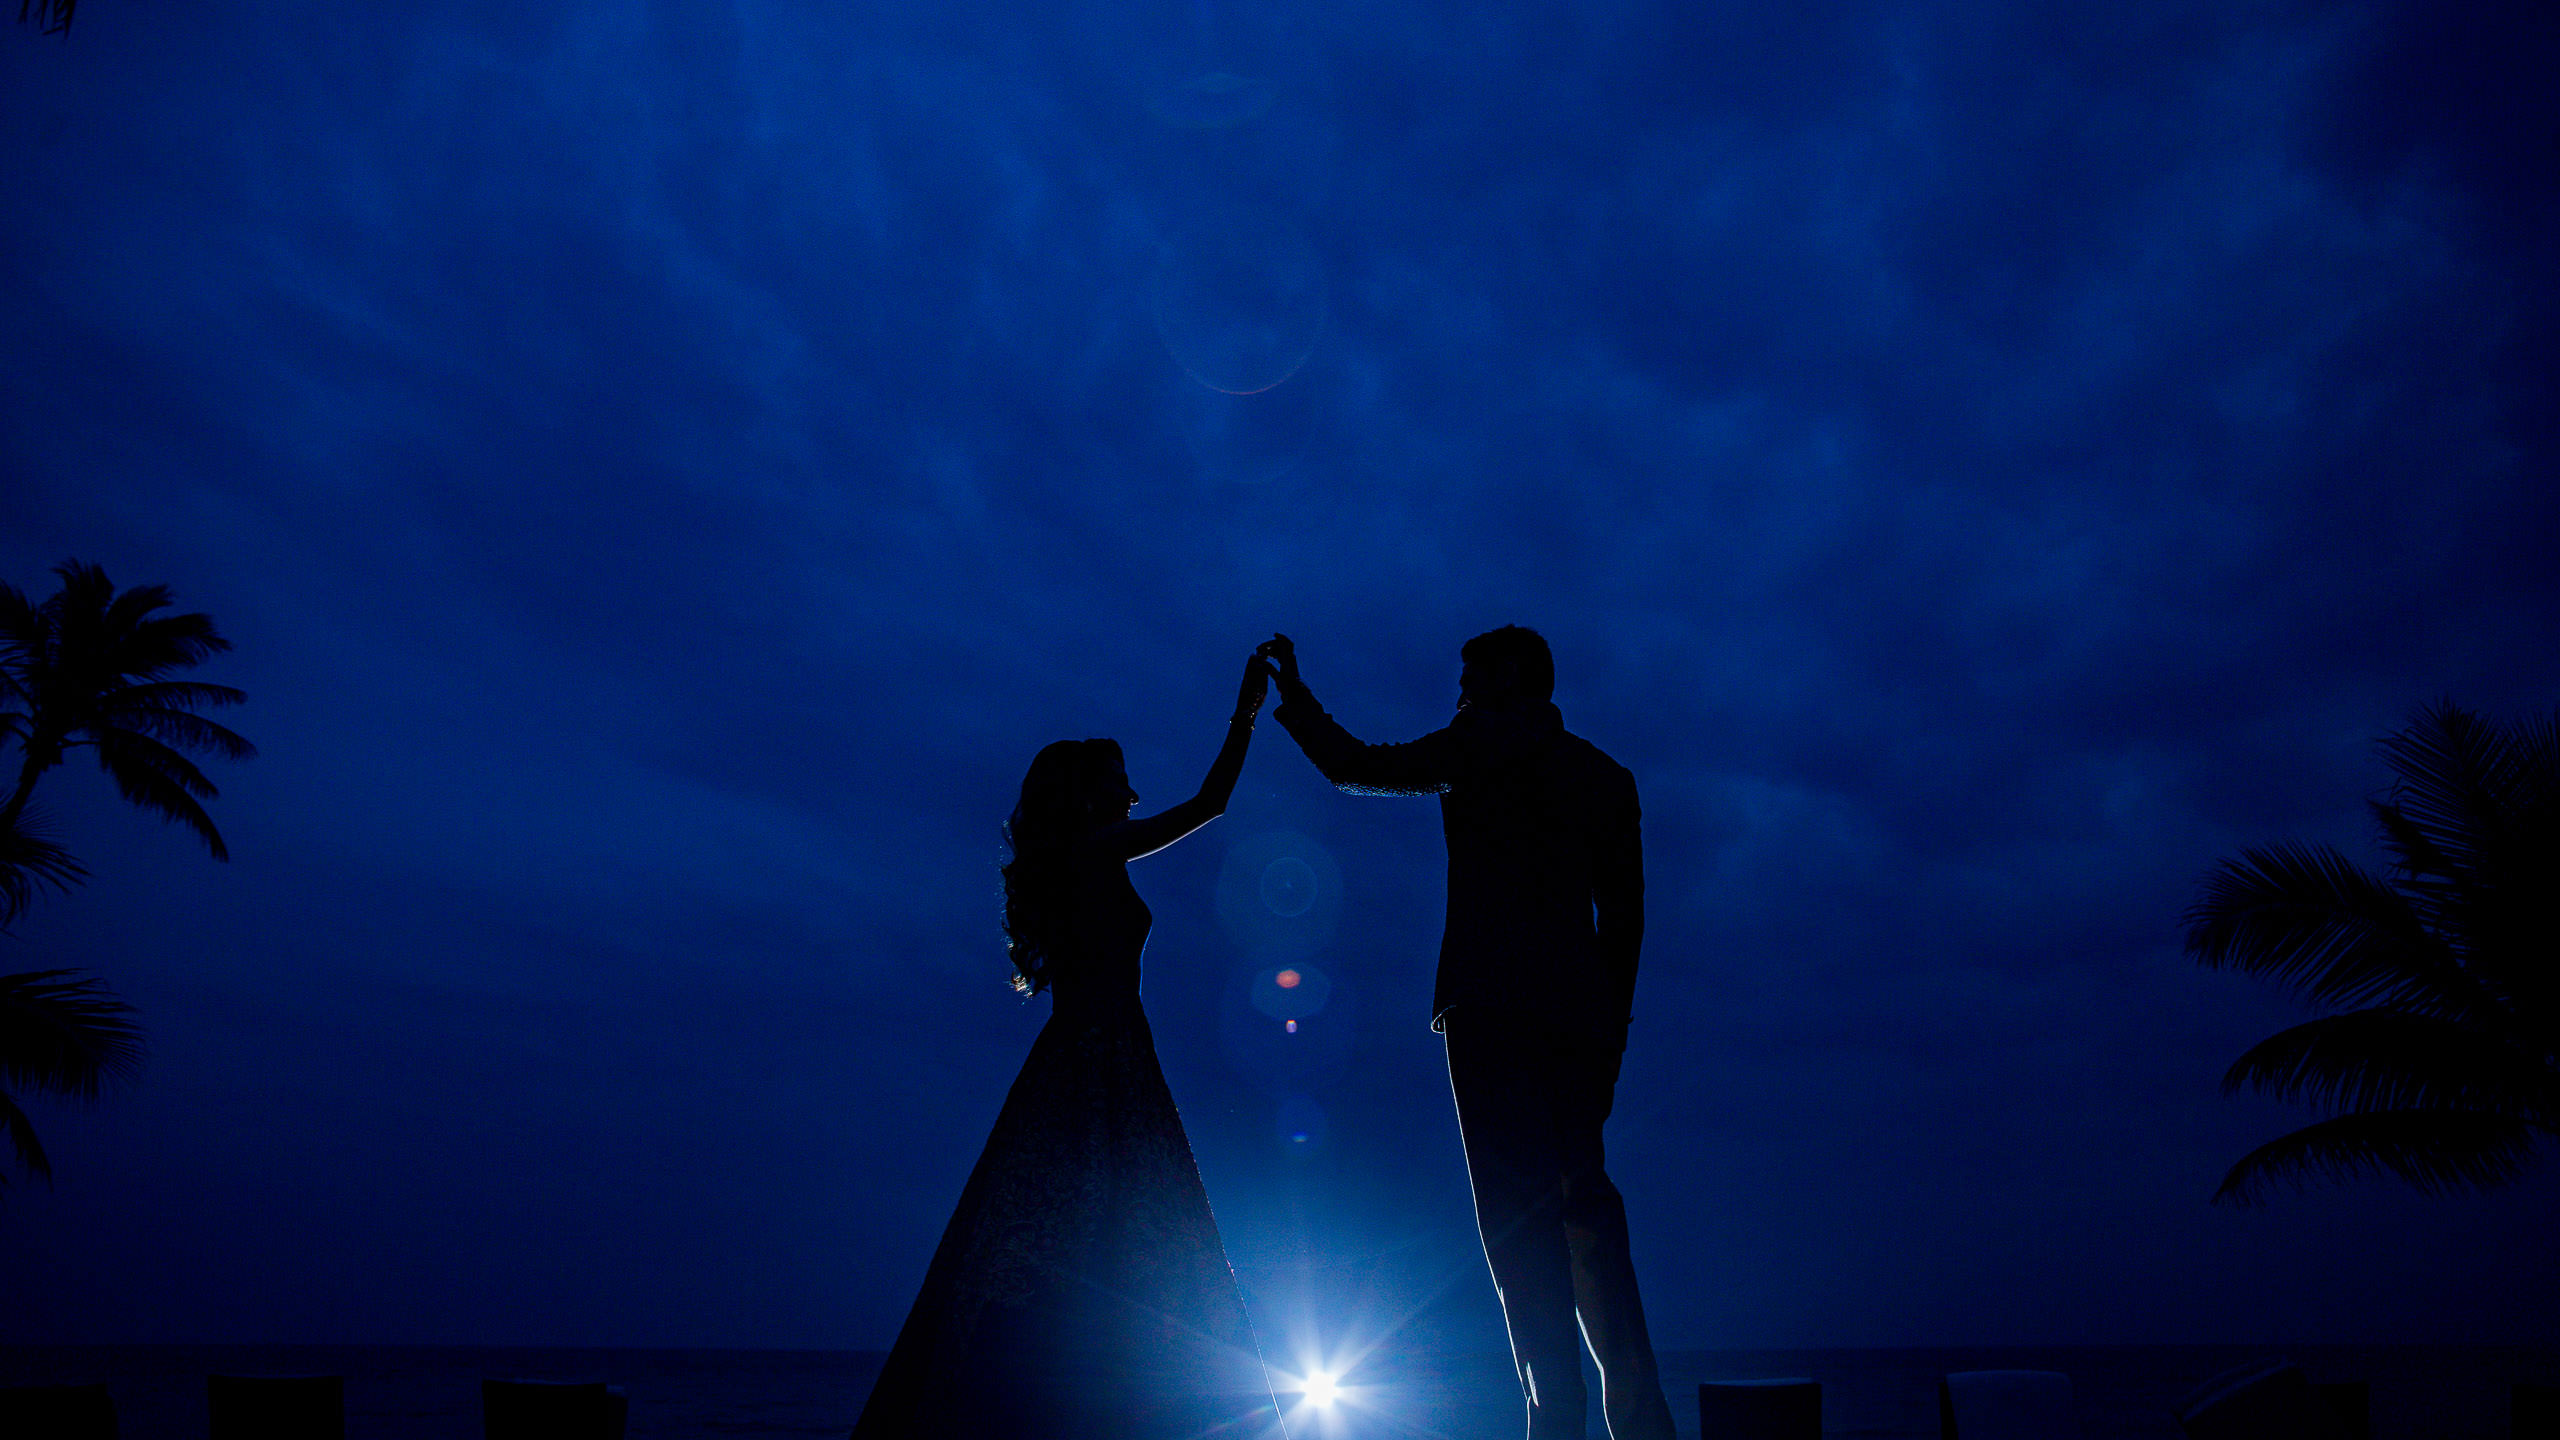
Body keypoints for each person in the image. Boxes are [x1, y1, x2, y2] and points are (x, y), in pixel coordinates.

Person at [851, 653, 1286, 1440]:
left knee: (1083, 1234)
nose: (1131, 791)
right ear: (1091, 793)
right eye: (1119, 778)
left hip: (1103, 1054)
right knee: (1093, 1235)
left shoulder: (1084, 857)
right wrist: (1245, 713)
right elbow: (1212, 803)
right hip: (1097, 1057)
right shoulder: (1094, 852)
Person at [1255, 627, 1673, 1440]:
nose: (1460, 688)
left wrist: (1294, 697)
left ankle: (1554, 1420)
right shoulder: (1606, 777)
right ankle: (1642, 1421)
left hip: (1489, 1014)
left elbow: (1356, 766)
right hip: (1577, 1026)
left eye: (1470, 674)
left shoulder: (1480, 744)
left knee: (1520, 1225)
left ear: (1509, 679)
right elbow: (1625, 930)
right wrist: (1610, 1040)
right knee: (1584, 1209)